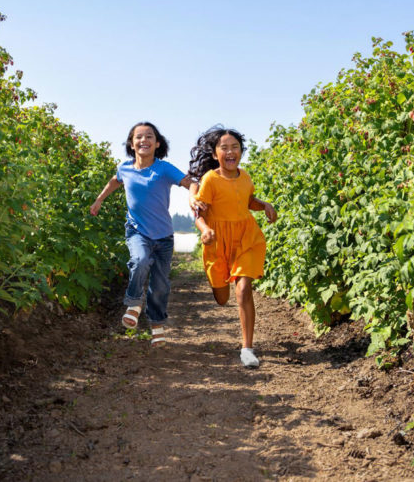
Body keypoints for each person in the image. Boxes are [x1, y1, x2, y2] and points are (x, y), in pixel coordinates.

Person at [90, 121, 196, 347]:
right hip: (137, 231)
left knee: (159, 285)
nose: (144, 140)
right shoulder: (125, 168)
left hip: (164, 237)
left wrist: (194, 197)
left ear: (157, 143)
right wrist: (99, 200)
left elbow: (191, 183)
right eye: (139, 136)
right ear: (131, 143)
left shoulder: (164, 169)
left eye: (149, 136)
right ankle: (135, 303)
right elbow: (113, 182)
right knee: (139, 260)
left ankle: (156, 326)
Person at [188, 126, 277, 368]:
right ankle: (218, 283)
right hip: (217, 240)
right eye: (224, 148)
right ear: (215, 154)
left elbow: (248, 201)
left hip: (246, 237)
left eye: (235, 147)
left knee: (243, 289)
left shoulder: (245, 176)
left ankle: (247, 348)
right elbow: (198, 213)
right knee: (222, 298)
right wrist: (205, 230)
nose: (230, 151)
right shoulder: (210, 179)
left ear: (240, 152)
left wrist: (264, 205)